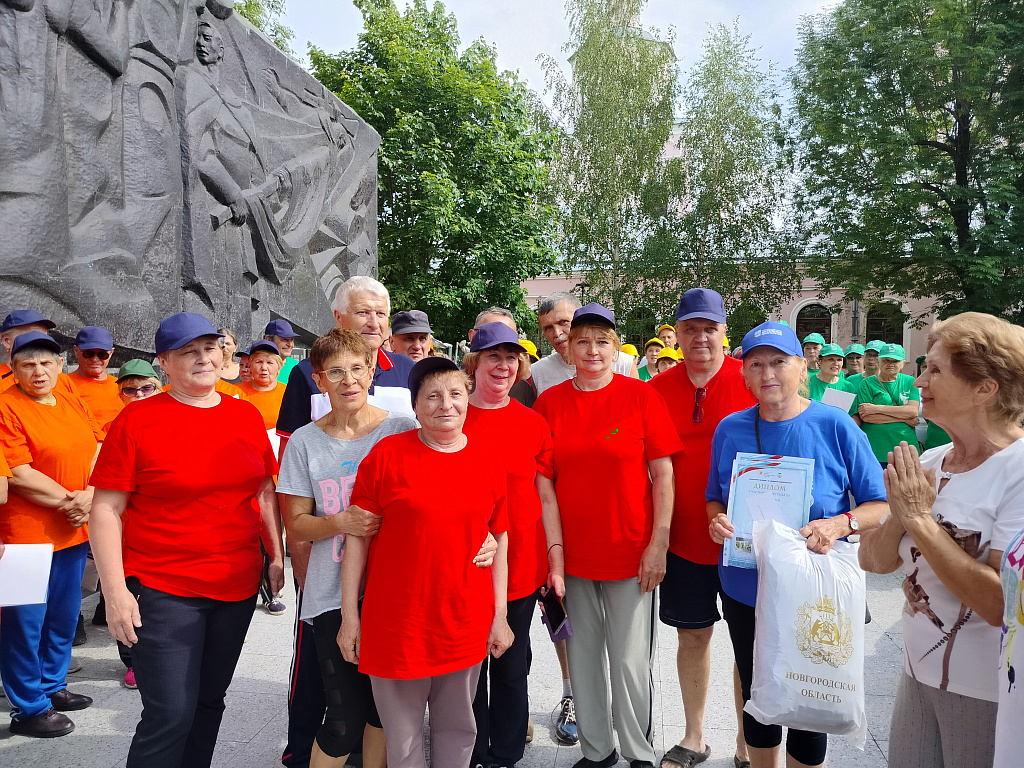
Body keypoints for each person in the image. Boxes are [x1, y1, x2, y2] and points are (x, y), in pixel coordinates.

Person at [88, 313, 285, 768]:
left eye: (209, 348)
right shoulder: (136, 420)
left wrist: (275, 555)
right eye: (187, 352)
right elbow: (106, 510)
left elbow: (263, 490)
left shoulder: (245, 414)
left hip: (235, 585)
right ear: (164, 362)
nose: (202, 358)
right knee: (170, 713)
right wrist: (115, 593)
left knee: (209, 702)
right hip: (163, 587)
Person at [709, 321, 887, 768]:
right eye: (756, 365)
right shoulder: (730, 428)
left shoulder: (834, 424)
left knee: (812, 696)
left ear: (802, 367)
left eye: (778, 362)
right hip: (746, 585)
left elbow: (879, 504)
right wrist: (717, 520)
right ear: (744, 374)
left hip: (812, 588)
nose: (767, 373)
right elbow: (714, 496)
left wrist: (840, 523)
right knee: (757, 690)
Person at [857, 312, 1024, 768]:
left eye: (934, 370)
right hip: (916, 676)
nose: (918, 381)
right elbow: (874, 561)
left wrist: (919, 519)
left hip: (986, 690)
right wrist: (900, 515)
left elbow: (1000, 604)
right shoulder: (932, 460)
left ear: (984, 387)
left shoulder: (1017, 471)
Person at [338, 357, 513, 768]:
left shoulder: (488, 459)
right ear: (415, 406)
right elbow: (357, 539)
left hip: (463, 621)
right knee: (401, 739)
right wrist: (350, 617)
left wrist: (500, 615)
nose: (445, 404)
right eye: (432, 396)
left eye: (455, 393)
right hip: (398, 624)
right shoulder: (386, 456)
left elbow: (501, 537)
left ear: (468, 398)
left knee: (459, 729)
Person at [275, 275, 415, 768]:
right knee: (342, 717)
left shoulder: (402, 429)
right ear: (320, 380)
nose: (349, 380)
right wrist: (341, 522)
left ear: (371, 372)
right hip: (331, 591)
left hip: (392, 588)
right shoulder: (305, 442)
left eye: (357, 369)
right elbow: (296, 523)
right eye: (336, 372)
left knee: (382, 712)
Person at [535, 303, 682, 768]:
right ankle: (597, 750)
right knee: (582, 657)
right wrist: (554, 556)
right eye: (582, 341)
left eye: (602, 341)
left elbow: (664, 474)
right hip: (574, 555)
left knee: (629, 661)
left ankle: (639, 751)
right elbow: (544, 485)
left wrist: (659, 543)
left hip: (630, 551)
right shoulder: (550, 403)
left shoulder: (640, 397)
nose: (592, 350)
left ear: (616, 348)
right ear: (568, 348)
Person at [649, 288, 756, 768]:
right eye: (690, 328)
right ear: (677, 333)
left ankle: (747, 741)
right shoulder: (657, 389)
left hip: (742, 540)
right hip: (682, 538)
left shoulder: (749, 379)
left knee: (748, 643)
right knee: (692, 635)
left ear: (724, 332)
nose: (700, 338)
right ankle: (694, 736)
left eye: (709, 329)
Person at [461, 322, 563, 768]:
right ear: (474, 363)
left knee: (510, 662)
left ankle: (505, 751)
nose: (502, 366)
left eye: (510, 358)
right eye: (493, 357)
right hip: (465, 560)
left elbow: (546, 494)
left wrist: (554, 555)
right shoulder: (454, 414)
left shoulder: (532, 422)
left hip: (521, 560)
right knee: (468, 666)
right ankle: (470, 747)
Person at [0, 331, 103, 738]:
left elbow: (97, 444)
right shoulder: (6, 406)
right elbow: (18, 473)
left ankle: (53, 684)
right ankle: (28, 706)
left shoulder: (69, 396)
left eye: (46, 362)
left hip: (72, 531)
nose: (38, 371)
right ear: (13, 369)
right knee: (23, 623)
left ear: (61, 364)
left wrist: (91, 494)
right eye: (28, 364)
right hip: (23, 536)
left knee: (62, 615)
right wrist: (73, 501)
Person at [91, 358, 164, 687]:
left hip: (158, 532)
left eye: (146, 388)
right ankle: (131, 660)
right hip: (122, 532)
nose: (139, 395)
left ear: (159, 388)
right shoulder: (111, 429)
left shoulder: (171, 423)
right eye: (130, 390)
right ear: (119, 394)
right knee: (124, 595)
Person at [532, 293, 638, 395]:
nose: (557, 333)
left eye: (563, 322)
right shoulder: (538, 372)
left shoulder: (625, 365)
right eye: (548, 328)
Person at [852, 343, 920, 466]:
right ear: (878, 361)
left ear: (903, 363)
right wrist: (904, 418)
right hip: (876, 447)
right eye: (886, 360)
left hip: (905, 446)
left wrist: (877, 408)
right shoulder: (866, 383)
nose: (890, 364)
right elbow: (867, 416)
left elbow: (912, 411)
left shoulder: (910, 381)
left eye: (895, 361)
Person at [0, 311, 82, 398]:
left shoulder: (63, 380)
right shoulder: (2, 382)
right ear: (7, 341)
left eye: (43, 336)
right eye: (30, 336)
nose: (38, 341)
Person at [467, 307, 538, 409]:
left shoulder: (523, 390)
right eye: (494, 355)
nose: (501, 336)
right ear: (472, 336)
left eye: (511, 357)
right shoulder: (452, 384)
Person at [69, 325, 123, 435]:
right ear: (76, 351)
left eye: (102, 354)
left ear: (111, 353)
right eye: (88, 353)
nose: (95, 359)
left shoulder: (122, 386)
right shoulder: (64, 384)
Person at [237, 341, 286, 432]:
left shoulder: (288, 393)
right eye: (258, 362)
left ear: (279, 368)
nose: (264, 367)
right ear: (250, 366)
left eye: (270, 362)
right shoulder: (235, 391)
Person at [266, 319, 300, 384]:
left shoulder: (296, 366)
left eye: (291, 340)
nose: (290, 345)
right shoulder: (256, 367)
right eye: (284, 340)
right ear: (268, 340)